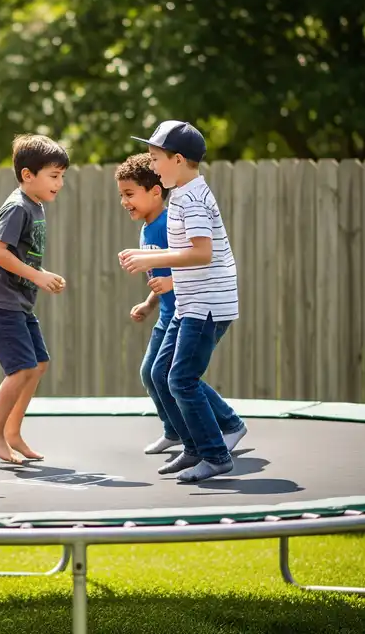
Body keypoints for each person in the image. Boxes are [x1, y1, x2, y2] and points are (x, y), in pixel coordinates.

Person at [119, 120, 248, 482]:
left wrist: (149, 258)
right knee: (159, 372)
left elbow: (202, 253)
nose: (151, 164)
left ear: (177, 159)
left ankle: (215, 454)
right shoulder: (184, 193)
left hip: (206, 304)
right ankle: (193, 449)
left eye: (155, 157)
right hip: (192, 302)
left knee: (181, 379)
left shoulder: (190, 198)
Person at [0, 133, 69, 464]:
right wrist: (39, 276)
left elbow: (21, 255)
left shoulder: (35, 205)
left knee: (39, 364)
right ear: (28, 175)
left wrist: (40, 275)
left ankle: (12, 432)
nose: (60, 183)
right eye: (54, 176)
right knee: (21, 368)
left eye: (62, 176)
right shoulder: (17, 207)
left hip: (18, 300)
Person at [115, 153, 181, 455]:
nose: (124, 201)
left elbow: (191, 265)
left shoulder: (169, 224)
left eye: (129, 194)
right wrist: (148, 303)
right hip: (165, 312)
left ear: (156, 191)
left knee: (169, 375)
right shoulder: (146, 227)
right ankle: (174, 430)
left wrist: (170, 285)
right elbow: (160, 276)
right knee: (149, 373)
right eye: (122, 195)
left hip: (184, 313)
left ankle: (227, 424)